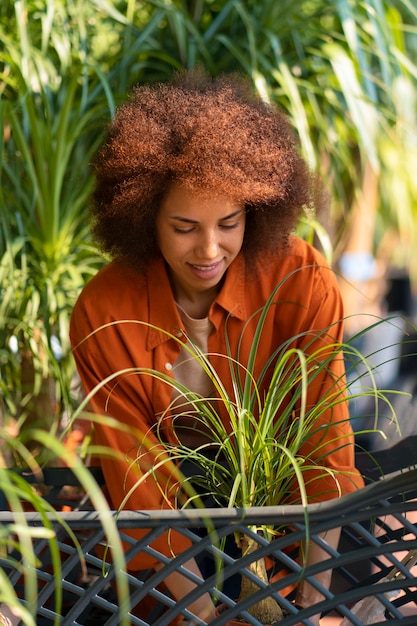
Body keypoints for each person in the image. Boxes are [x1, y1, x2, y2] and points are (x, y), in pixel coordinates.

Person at [69, 69, 364, 625]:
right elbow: (141, 484)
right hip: (164, 552)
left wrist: (307, 600)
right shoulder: (103, 310)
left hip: (288, 532)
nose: (210, 249)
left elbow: (326, 450)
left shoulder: (301, 281)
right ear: (143, 218)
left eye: (229, 223)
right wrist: (204, 612)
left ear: (255, 210)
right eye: (184, 227)